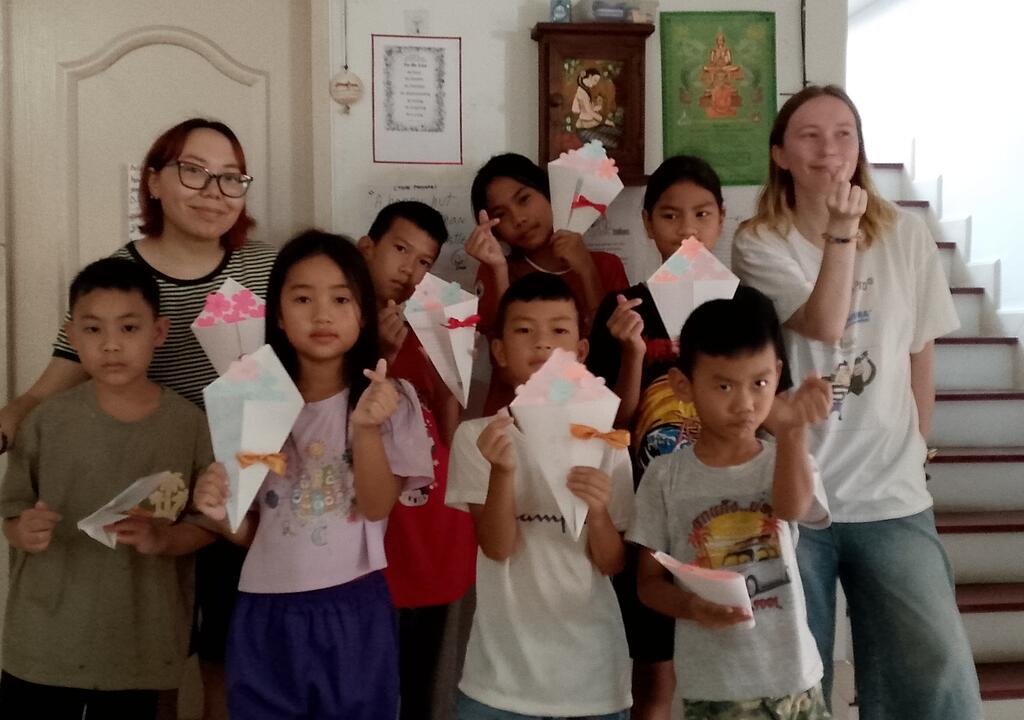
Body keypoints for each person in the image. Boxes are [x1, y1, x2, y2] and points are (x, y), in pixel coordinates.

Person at [0, 117, 275, 719]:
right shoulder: (118, 277)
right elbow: (61, 374)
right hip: (154, 485)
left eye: (231, 178)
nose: (213, 191)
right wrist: (15, 413)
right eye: (193, 171)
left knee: (228, 664)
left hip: (240, 490)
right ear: (153, 182)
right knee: (154, 658)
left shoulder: (267, 269)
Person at [732, 84, 982, 719]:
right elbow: (823, 322)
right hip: (795, 494)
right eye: (810, 136)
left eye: (844, 134)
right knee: (796, 678)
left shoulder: (906, 233)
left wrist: (918, 445)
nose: (830, 149)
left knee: (934, 669)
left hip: (892, 493)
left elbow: (919, 350)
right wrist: (841, 235)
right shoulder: (760, 240)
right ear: (780, 155)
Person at [192, 230, 433, 720]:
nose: (322, 315)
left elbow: (376, 507)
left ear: (363, 312)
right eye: (302, 299)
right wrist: (218, 510)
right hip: (264, 610)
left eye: (341, 299)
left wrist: (365, 429)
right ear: (278, 316)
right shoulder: (250, 402)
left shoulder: (392, 399)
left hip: (353, 606)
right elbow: (252, 532)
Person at [0, 258, 215, 719]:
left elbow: (207, 524)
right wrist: (23, 530)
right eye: (93, 329)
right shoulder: (44, 422)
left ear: (158, 332)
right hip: (42, 643)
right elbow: (12, 510)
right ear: (72, 336)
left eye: (129, 328)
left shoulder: (190, 425)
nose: (111, 344)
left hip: (139, 647)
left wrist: (163, 539)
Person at [629, 288, 833, 720]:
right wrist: (691, 607)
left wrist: (793, 431)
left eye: (760, 383)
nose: (744, 404)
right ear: (683, 385)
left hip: (795, 678)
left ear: (778, 374)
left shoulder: (786, 458)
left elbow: (792, 508)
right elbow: (648, 583)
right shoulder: (665, 476)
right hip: (716, 687)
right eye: (724, 386)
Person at [445, 272, 634, 720]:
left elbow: (612, 563)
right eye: (524, 330)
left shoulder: (604, 439)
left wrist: (598, 513)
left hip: (593, 677)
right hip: (500, 679)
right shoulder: (479, 437)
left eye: (559, 331)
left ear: (581, 352)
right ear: (499, 351)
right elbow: (497, 547)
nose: (543, 344)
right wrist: (503, 472)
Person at [586, 154, 725, 720]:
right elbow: (610, 422)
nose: (686, 229)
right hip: (646, 512)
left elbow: (762, 410)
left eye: (702, 214)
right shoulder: (623, 308)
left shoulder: (742, 306)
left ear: (721, 220)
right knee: (653, 669)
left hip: (724, 508)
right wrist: (631, 354)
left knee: (728, 652)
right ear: (647, 222)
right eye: (670, 216)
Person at [357, 201, 476, 720]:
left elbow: (447, 434)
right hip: (377, 535)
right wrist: (379, 351)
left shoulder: (426, 323)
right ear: (367, 248)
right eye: (400, 249)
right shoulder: (340, 323)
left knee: (426, 685)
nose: (409, 269)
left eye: (424, 261)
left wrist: (454, 372)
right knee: (370, 685)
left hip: (436, 529)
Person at [464, 152, 629, 414]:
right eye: (501, 214)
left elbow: (612, 357)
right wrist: (499, 271)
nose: (518, 218)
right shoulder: (494, 270)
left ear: (550, 193)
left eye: (524, 199)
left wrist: (587, 270)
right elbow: (505, 366)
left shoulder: (606, 265)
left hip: (586, 419)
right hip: (511, 420)